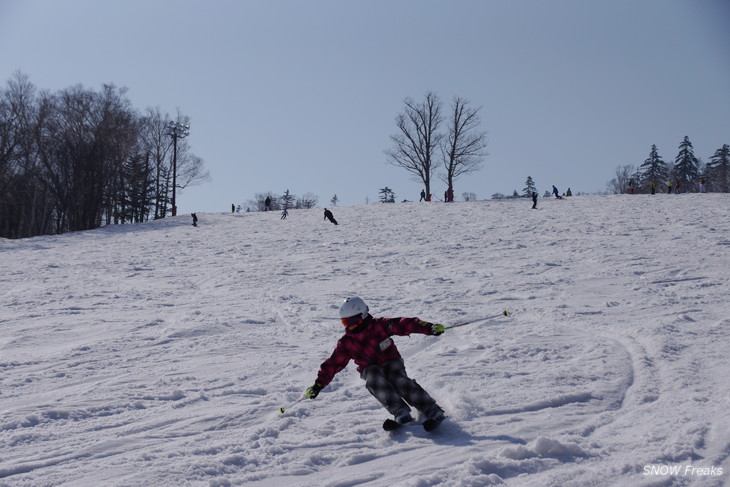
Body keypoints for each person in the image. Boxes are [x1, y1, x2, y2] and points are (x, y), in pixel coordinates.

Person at [305, 297, 446, 427]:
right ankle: (400, 412)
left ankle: (431, 409)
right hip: (369, 368)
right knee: (373, 379)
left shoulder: (380, 325)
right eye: (345, 323)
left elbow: (404, 324)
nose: (350, 326)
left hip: (391, 362)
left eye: (353, 321)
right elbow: (333, 363)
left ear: (363, 315)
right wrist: (318, 385)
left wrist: (429, 327)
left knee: (398, 380)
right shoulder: (347, 342)